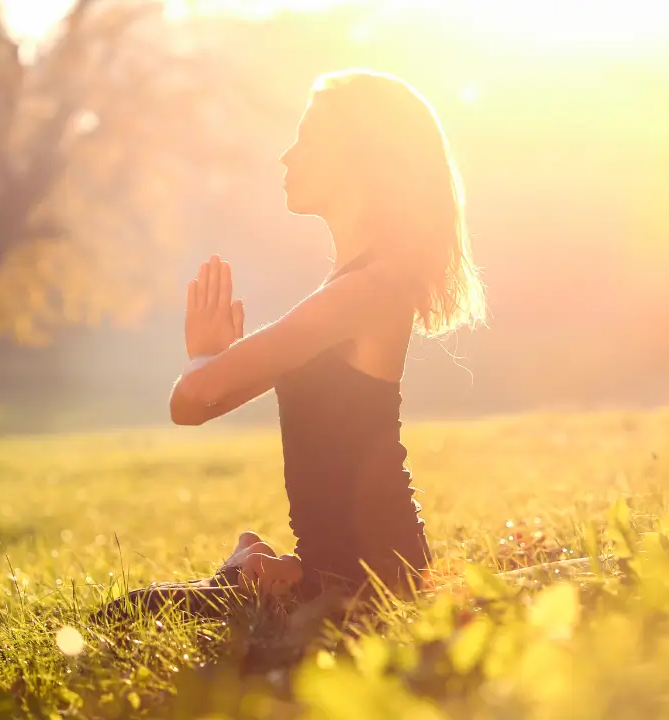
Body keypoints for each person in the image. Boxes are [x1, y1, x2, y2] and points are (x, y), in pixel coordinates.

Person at [165, 69, 486, 605]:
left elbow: (192, 395)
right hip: (341, 574)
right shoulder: (348, 289)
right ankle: (253, 571)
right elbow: (196, 408)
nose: (287, 157)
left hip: (367, 583)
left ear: (361, 158)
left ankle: (249, 573)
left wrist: (204, 356)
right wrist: (212, 361)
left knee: (129, 611)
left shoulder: (365, 292)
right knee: (151, 604)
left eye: (308, 139)